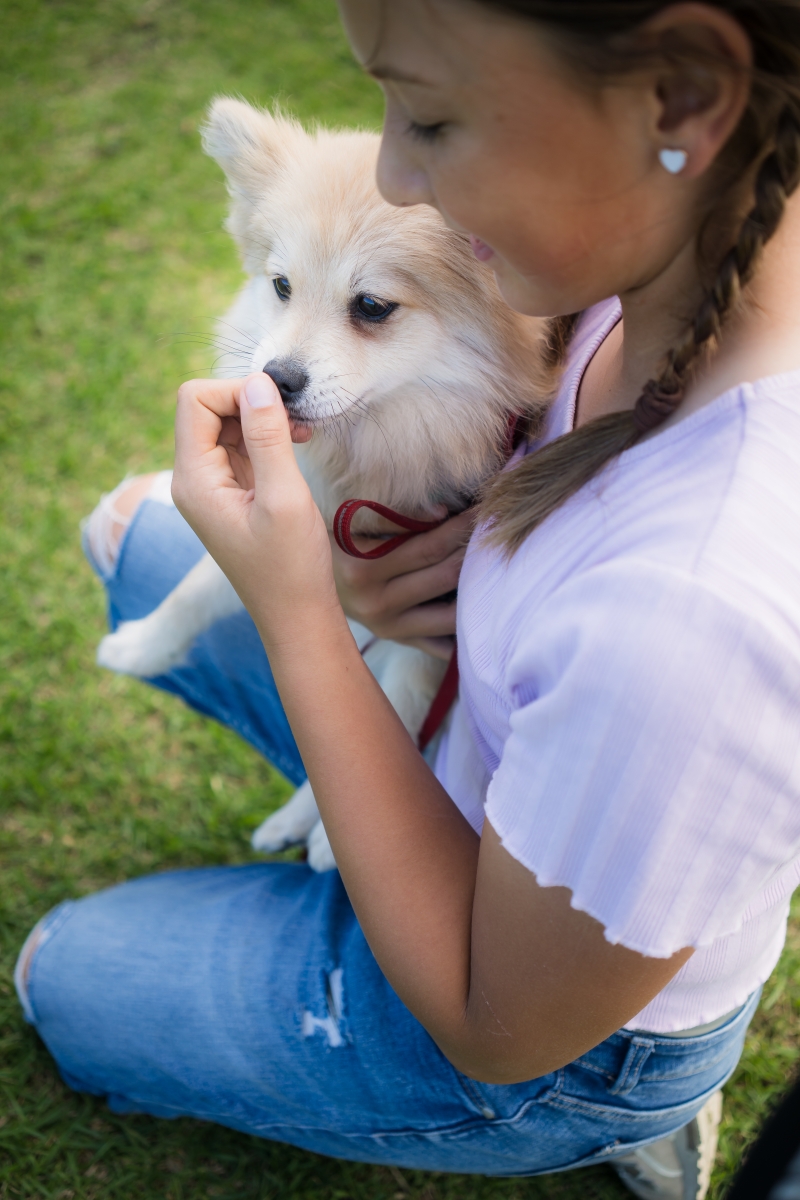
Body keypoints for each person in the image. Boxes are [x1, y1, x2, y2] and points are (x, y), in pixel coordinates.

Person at [15, 3, 800, 1197]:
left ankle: (624, 1122)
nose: (390, 171)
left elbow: (498, 1026)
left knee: (56, 972)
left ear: (681, 97)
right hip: (482, 732)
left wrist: (300, 614)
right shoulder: (619, 275)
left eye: (431, 115)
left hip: (544, 1029)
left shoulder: (695, 607)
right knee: (130, 525)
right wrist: (358, 595)